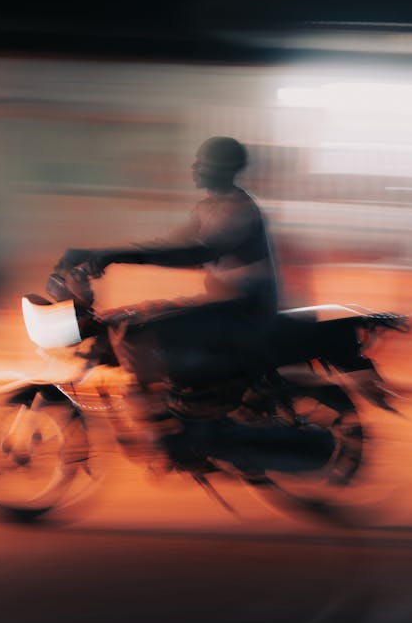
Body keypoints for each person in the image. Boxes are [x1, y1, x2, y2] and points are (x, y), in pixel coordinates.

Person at [53, 136, 282, 468]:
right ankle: (168, 413)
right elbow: (169, 245)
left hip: (243, 310)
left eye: (201, 163)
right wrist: (101, 252)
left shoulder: (239, 210)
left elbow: (193, 251)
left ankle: (173, 428)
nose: (194, 168)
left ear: (222, 169)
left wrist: (115, 254)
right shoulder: (210, 207)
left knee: (140, 330)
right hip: (222, 304)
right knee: (124, 319)